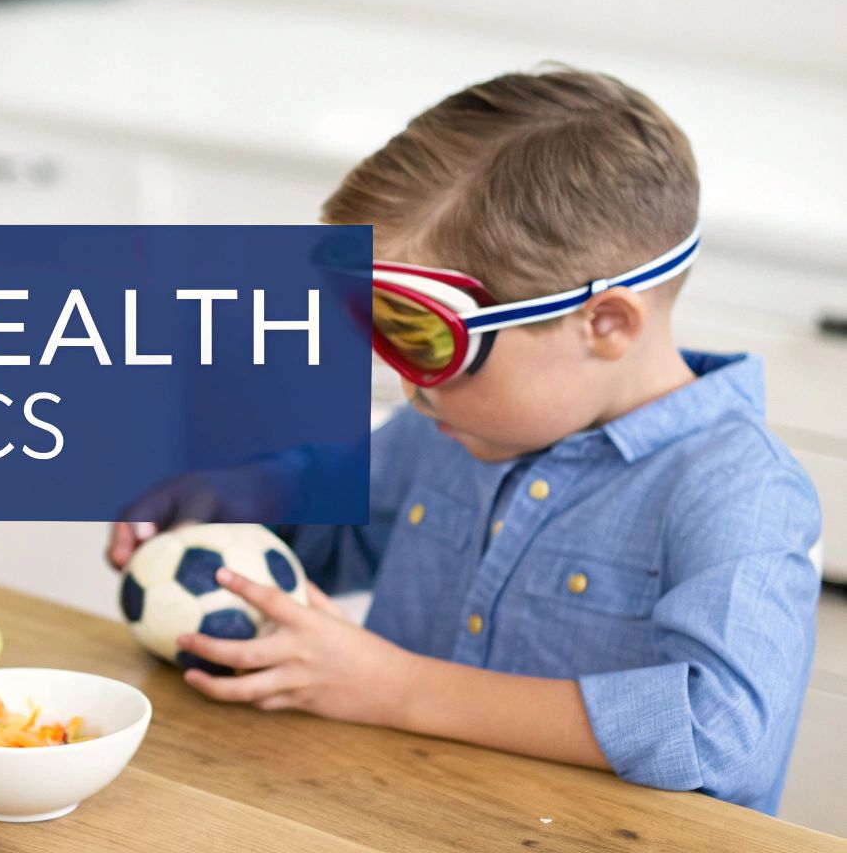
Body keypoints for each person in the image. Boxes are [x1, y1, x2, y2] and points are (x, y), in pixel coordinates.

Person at [107, 68, 821, 813]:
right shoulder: (449, 428)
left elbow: (722, 737)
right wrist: (244, 496)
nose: (410, 384)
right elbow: (340, 521)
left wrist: (399, 690)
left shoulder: (739, 492)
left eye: (426, 341)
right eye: (376, 324)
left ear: (606, 326)